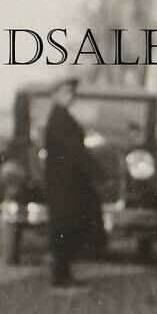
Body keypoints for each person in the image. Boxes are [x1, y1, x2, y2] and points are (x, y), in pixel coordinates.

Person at [43, 78, 104, 288]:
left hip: (67, 183)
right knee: (65, 226)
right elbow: (75, 151)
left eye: (72, 92)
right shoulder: (60, 118)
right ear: (56, 94)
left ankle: (62, 271)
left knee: (68, 225)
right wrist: (99, 173)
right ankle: (60, 273)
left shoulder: (62, 116)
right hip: (64, 184)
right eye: (66, 91)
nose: (71, 95)